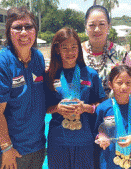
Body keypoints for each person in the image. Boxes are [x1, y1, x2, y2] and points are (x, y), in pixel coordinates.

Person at [0, 6, 46, 169]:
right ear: (9, 31)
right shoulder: (2, 62)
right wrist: (6, 148)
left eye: (28, 27)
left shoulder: (38, 58)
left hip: (37, 147)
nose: (24, 32)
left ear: (35, 30)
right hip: (11, 151)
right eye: (17, 27)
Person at [44, 27, 106, 169]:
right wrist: (57, 108)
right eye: (64, 48)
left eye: (74, 47)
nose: (70, 52)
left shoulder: (91, 74)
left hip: (85, 141)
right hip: (58, 141)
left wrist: (86, 108)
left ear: (79, 49)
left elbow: (102, 106)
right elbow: (44, 108)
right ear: (57, 50)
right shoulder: (50, 76)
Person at [94, 65, 131, 169]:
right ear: (110, 84)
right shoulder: (103, 108)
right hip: (108, 163)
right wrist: (101, 138)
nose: (124, 87)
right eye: (119, 83)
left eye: (128, 83)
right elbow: (95, 133)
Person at [82, 5, 131, 97]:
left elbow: (130, 84)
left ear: (109, 26)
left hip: (114, 110)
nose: (97, 29)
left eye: (102, 24)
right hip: (82, 110)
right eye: (92, 25)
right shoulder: (76, 53)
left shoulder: (121, 53)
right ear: (86, 27)